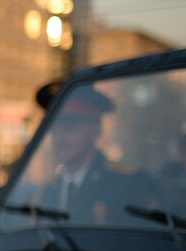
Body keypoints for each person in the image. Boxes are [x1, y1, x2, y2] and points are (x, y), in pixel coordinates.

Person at [33, 86, 156, 224]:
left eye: (70, 129)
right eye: (55, 130)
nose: (60, 139)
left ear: (95, 131)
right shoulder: (48, 190)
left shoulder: (129, 184)